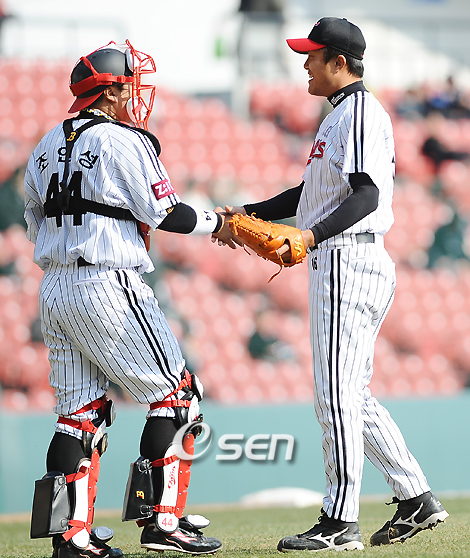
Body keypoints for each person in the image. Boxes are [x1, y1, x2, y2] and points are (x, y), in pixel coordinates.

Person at [219, 17, 449, 552]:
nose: (304, 64)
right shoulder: (341, 115)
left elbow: (367, 196)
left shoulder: (361, 112)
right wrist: (246, 213)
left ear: (339, 62)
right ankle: (415, 497)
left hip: (348, 258)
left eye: (312, 55)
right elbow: (308, 195)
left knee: (335, 395)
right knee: (352, 395)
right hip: (344, 258)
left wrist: (310, 236)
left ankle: (340, 521)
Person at [24, 41, 233, 558]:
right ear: (111, 91)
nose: (135, 94)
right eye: (129, 85)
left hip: (55, 286)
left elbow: (33, 221)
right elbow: (168, 213)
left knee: (78, 414)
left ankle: (70, 538)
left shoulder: (44, 144)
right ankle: (163, 522)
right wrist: (222, 223)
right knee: (177, 396)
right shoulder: (125, 139)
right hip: (107, 281)